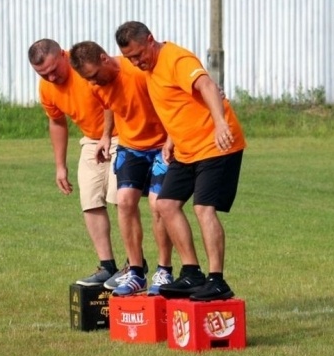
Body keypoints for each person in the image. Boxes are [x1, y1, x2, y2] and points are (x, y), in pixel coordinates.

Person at [114, 21, 246, 302]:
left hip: (215, 145)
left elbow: (207, 85)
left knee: (203, 208)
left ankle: (217, 280)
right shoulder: (150, 69)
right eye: (130, 59)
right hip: (186, 150)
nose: (136, 62)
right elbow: (176, 105)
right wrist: (172, 140)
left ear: (151, 39)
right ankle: (192, 273)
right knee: (165, 204)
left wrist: (221, 123)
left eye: (138, 55)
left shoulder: (176, 58)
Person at [68, 40, 175, 296]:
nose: (93, 83)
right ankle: (136, 272)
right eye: (88, 79)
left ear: (105, 58)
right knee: (125, 201)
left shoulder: (138, 70)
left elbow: (169, 100)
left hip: (160, 144)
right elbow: (108, 105)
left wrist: (172, 138)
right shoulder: (96, 84)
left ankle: (165, 270)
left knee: (158, 204)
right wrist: (106, 136)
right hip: (130, 146)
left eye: (94, 76)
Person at [27, 38, 122, 287]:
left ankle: (135, 267)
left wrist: (107, 136)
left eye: (53, 70)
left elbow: (109, 99)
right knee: (90, 200)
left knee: (120, 198)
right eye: (42, 74)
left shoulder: (84, 67)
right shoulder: (47, 88)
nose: (51, 78)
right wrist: (60, 165)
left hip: (123, 134)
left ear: (63, 54)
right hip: (92, 140)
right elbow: (57, 121)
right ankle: (107, 266)